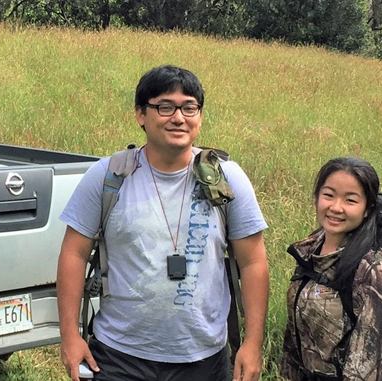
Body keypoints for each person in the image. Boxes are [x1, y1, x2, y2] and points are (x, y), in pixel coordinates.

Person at [56, 65, 269, 381]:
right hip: (118, 357)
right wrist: (69, 336)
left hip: (203, 359)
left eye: (189, 107)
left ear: (200, 115)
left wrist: (252, 343)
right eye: (165, 107)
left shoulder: (226, 178)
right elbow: (73, 254)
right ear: (141, 115)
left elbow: (253, 263)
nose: (179, 118)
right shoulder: (108, 176)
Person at [279, 157, 382, 381]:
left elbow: (369, 366)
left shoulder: (374, 269)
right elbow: (295, 339)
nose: (336, 207)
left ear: (368, 209)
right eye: (329, 195)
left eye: (350, 200)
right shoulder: (309, 250)